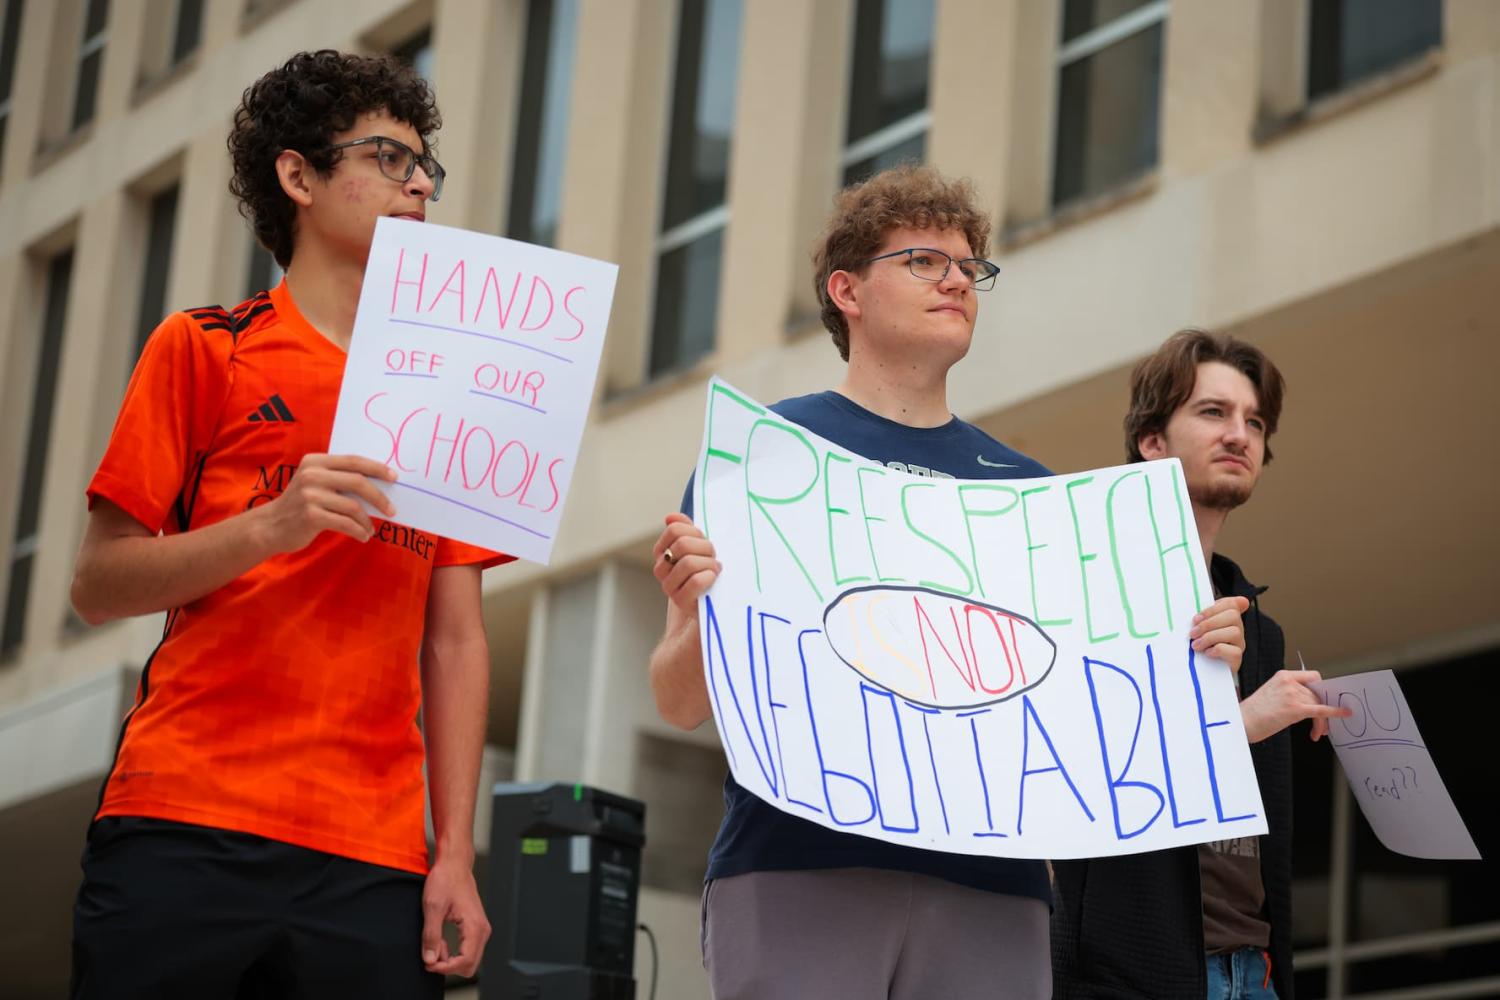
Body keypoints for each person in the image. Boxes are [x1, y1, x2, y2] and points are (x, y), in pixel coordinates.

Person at [647, 168, 1250, 999]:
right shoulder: (762, 454)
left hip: (992, 890)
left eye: (971, 266)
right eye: (926, 261)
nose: (960, 279)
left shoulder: (1032, 492)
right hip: (799, 867)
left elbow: (1096, 714)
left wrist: (1200, 665)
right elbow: (679, 704)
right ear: (846, 289)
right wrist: (691, 611)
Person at [67, 50, 506, 998]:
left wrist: (456, 853)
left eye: (426, 162)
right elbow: (98, 586)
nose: (421, 180)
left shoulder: (459, 391)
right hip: (182, 821)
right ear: (299, 176)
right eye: (389, 155)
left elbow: (459, 640)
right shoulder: (204, 347)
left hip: (375, 852)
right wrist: (273, 525)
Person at [1051, 329, 1350, 1000]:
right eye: (1213, 412)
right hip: (1128, 976)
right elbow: (1073, 782)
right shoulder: (1090, 592)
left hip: (1254, 971)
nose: (1240, 435)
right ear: (1152, 441)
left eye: (1255, 422)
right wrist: (1240, 723)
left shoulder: (1260, 633)